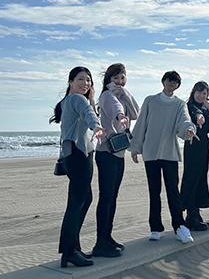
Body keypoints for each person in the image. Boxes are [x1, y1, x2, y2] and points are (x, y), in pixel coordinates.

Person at [129, 71, 198, 243]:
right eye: (169, 80)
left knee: (173, 191)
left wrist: (189, 130)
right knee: (154, 191)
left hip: (169, 153)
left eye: (175, 82)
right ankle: (155, 227)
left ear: (177, 85)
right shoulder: (150, 100)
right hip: (151, 152)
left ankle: (179, 226)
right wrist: (135, 147)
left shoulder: (179, 104)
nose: (171, 84)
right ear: (163, 81)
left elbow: (185, 120)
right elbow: (141, 123)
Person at [49, 67, 105, 268]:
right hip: (79, 155)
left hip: (73, 155)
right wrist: (97, 127)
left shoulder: (68, 101)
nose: (85, 83)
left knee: (83, 198)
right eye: (80, 79)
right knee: (77, 201)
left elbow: (86, 112)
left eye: (88, 80)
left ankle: (73, 246)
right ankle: (69, 251)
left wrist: (91, 98)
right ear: (70, 82)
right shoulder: (77, 100)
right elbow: (89, 114)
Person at [93, 63, 139, 257]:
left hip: (118, 153)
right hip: (106, 153)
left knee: (113, 197)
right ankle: (100, 243)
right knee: (106, 197)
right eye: (116, 79)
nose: (120, 82)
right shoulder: (106, 96)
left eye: (123, 78)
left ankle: (107, 237)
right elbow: (116, 109)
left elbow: (136, 113)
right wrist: (121, 115)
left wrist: (125, 92)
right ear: (109, 80)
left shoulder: (121, 94)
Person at [181, 81, 209, 231]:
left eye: (204, 93)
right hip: (192, 145)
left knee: (201, 178)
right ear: (193, 92)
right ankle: (191, 216)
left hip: (203, 146)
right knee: (192, 178)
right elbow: (195, 114)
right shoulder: (189, 106)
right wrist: (201, 116)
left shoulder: (204, 107)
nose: (201, 95)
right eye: (199, 92)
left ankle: (196, 213)